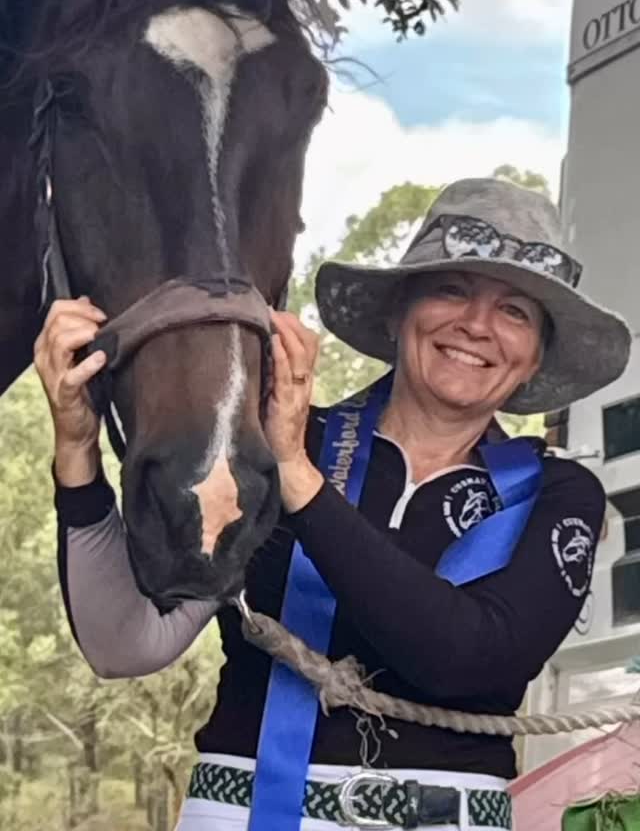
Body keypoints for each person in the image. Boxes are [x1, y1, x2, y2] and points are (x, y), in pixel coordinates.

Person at [35, 178, 630, 831]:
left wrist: (299, 481)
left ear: (537, 355)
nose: (477, 325)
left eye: (516, 311)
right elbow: (125, 644)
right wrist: (78, 453)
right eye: (452, 289)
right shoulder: (275, 440)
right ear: (400, 309)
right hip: (242, 811)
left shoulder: (560, 494)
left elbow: (468, 661)